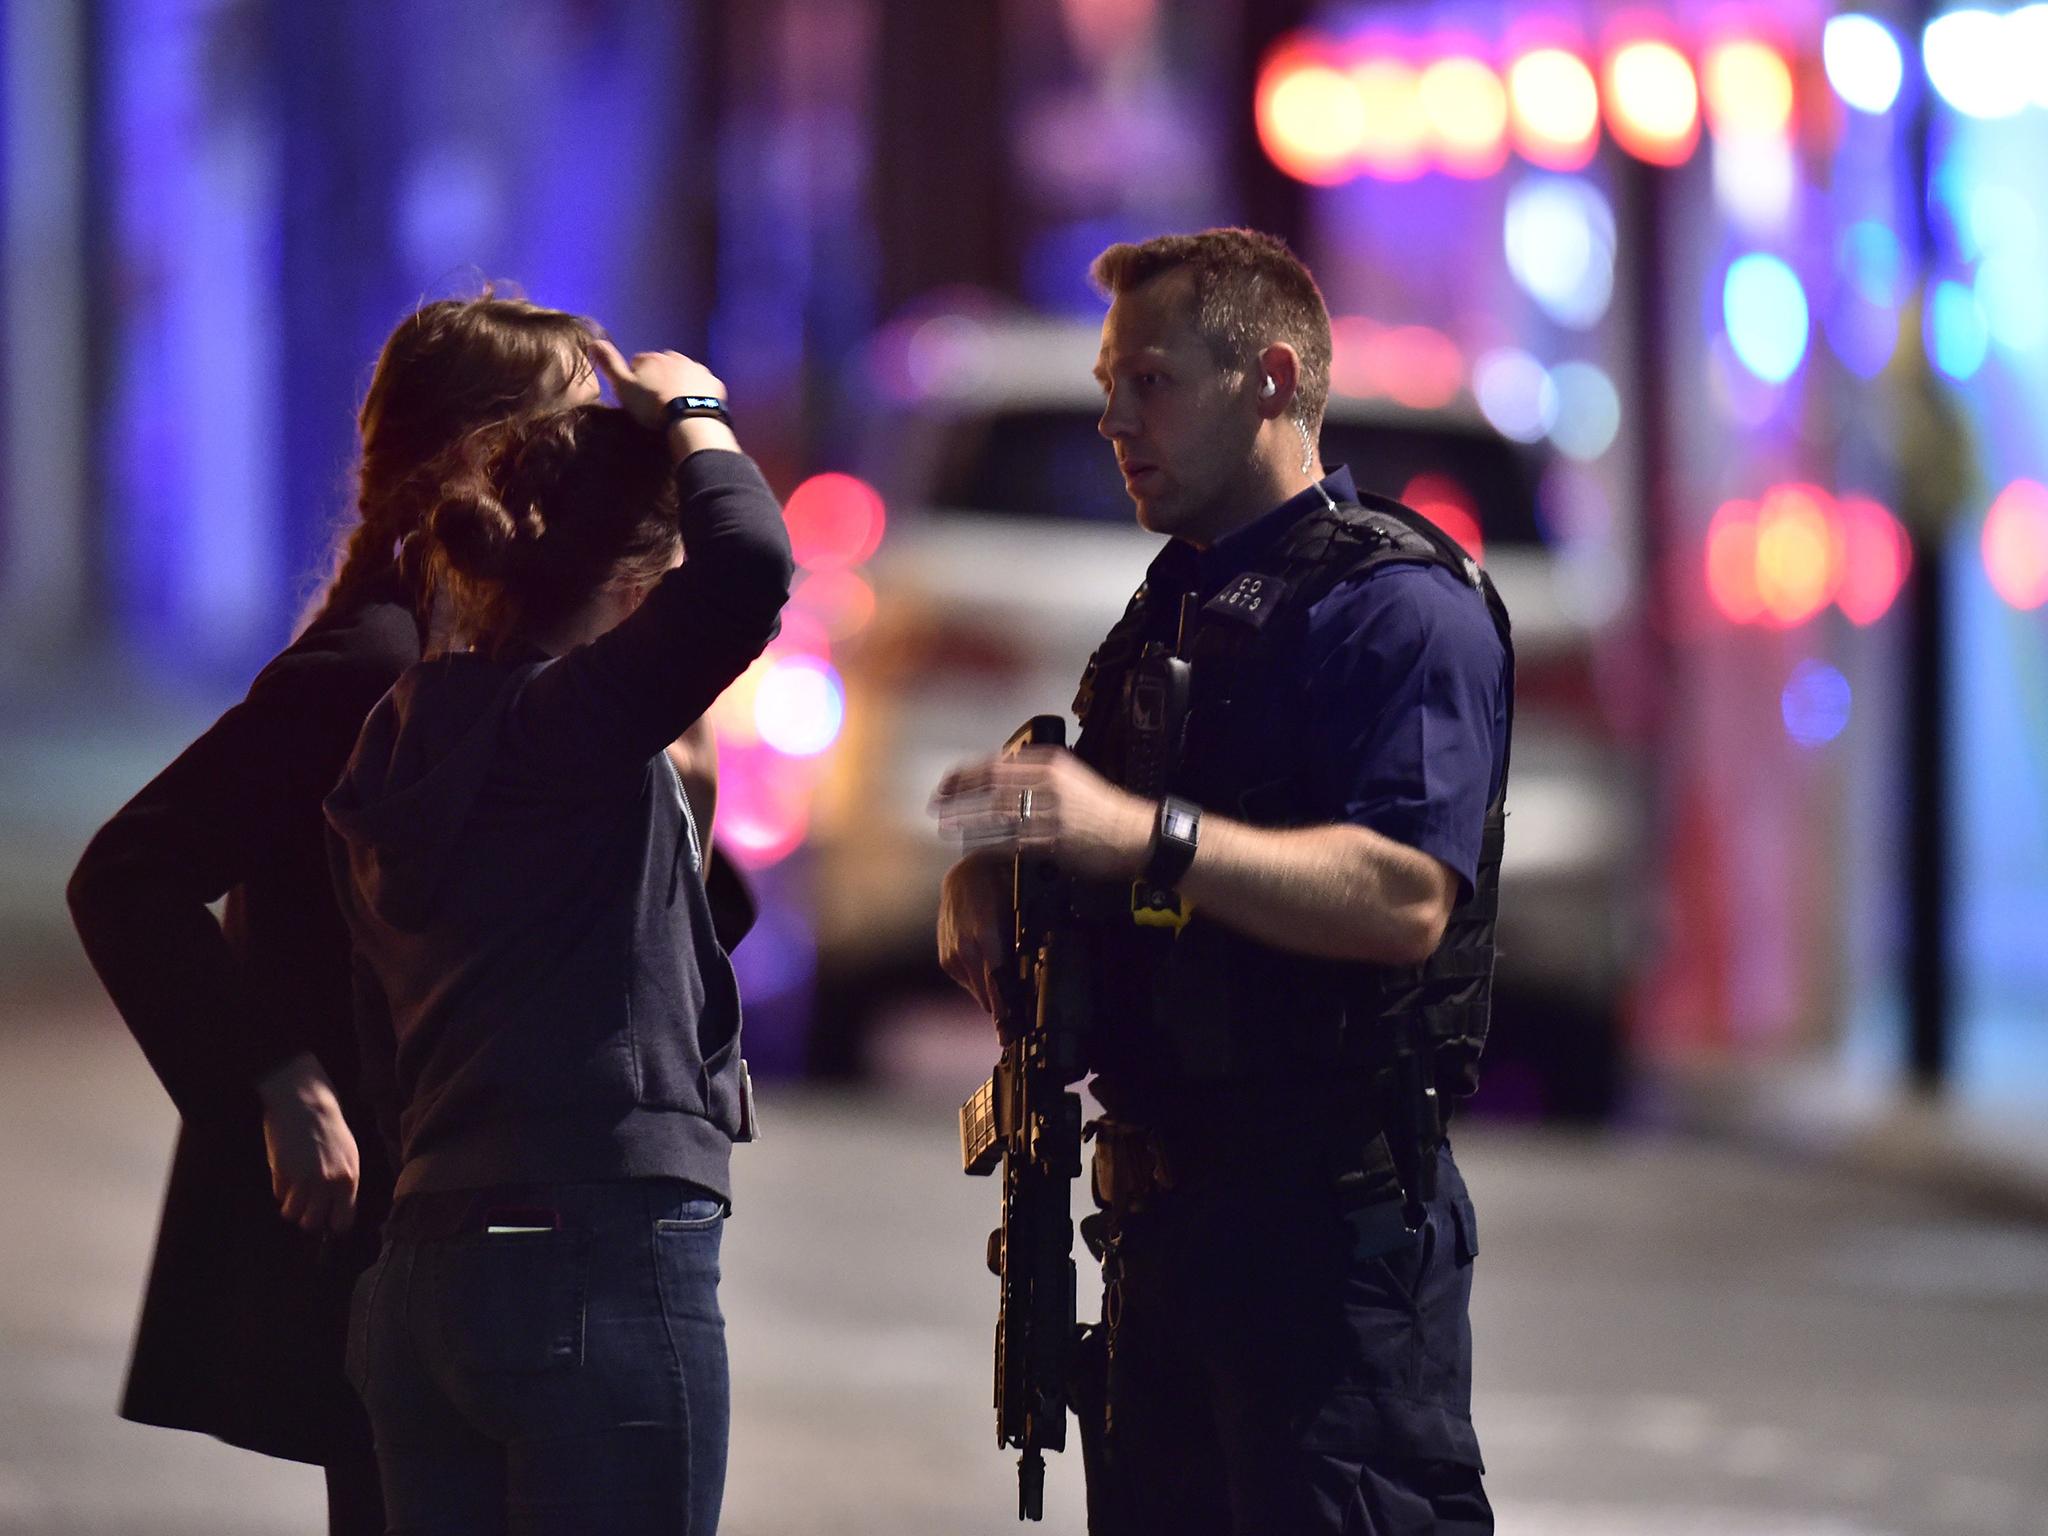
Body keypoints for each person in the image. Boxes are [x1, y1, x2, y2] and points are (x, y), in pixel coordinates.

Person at [932, 228, 1511, 1534]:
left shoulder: (1395, 607)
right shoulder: (1178, 608)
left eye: (1151, 383)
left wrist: (1143, 835)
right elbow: (1108, 840)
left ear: (1269, 376)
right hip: (1162, 1238)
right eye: (1106, 387)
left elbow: (1405, 896)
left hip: (1325, 1244)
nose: (1114, 420)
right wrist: (1005, 863)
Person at [66, 291, 621, 1535]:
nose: (601, 469)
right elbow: (127, 874)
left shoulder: (497, 666)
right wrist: (277, 1076)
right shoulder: (369, 671)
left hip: (486, 1232)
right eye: (575, 433)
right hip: (393, 1238)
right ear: (488, 456)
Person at [324, 344, 792, 1534]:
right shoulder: (562, 728)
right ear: (639, 594)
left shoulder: (403, 735)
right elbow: (751, 567)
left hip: (425, 1269)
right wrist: (694, 406)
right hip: (588, 1262)